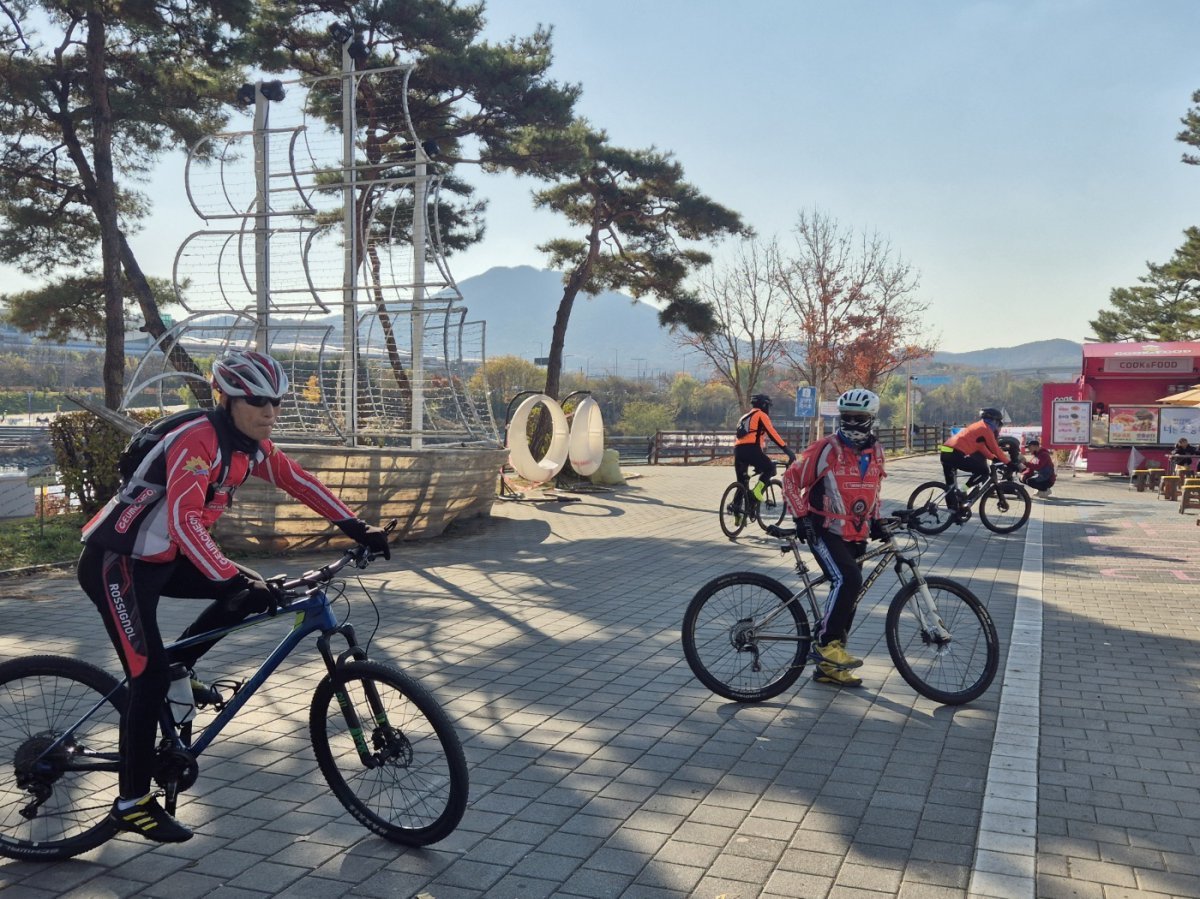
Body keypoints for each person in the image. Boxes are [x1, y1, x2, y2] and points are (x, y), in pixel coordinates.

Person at [77, 350, 391, 844]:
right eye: (258, 402)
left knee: (250, 595)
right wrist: (227, 576)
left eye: (277, 403)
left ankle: (180, 665)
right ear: (228, 399)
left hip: (163, 558)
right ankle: (131, 802)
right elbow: (183, 519)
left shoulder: (253, 447)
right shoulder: (198, 441)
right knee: (149, 677)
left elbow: (299, 480)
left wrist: (356, 526)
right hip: (117, 562)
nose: (270, 413)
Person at [782, 388, 887, 688]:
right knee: (849, 581)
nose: (852, 423)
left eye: (860, 418)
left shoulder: (877, 452)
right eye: (847, 417)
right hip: (824, 529)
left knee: (851, 596)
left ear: (871, 419)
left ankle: (830, 668)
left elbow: (873, 491)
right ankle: (825, 644)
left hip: (858, 533)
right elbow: (790, 479)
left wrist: (878, 521)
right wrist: (802, 518)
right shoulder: (825, 448)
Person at [732, 394, 796, 515]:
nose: (768, 409)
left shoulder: (744, 417)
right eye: (768, 406)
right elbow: (772, 433)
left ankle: (737, 514)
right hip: (751, 450)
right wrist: (787, 451)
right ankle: (757, 491)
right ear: (764, 405)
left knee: (742, 482)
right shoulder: (761, 415)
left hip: (738, 450)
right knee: (770, 468)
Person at [939, 407, 1012, 504]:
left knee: (950, 487)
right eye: (998, 422)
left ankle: (953, 511)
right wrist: (1009, 463)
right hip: (954, 453)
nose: (998, 424)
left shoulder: (977, 426)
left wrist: (994, 458)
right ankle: (963, 490)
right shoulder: (986, 429)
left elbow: (981, 447)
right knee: (983, 471)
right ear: (994, 420)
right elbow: (996, 449)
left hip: (946, 451)